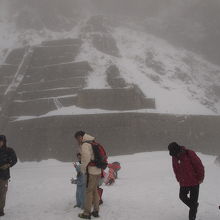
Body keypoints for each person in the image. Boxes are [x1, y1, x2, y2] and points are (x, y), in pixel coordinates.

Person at [168, 142, 205, 220]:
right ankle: (194, 206)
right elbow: (175, 168)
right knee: (182, 197)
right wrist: (178, 179)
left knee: (193, 202)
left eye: (174, 152)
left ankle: (192, 217)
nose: (173, 155)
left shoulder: (189, 153)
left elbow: (199, 166)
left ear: (177, 149)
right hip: (183, 182)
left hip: (194, 182)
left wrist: (201, 178)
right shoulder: (174, 157)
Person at [75, 131, 102, 219]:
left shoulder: (85, 144)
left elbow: (86, 158)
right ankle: (96, 211)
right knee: (94, 191)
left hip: (91, 172)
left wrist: (82, 169)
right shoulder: (94, 142)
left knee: (88, 192)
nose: (77, 141)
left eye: (77, 139)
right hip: (98, 170)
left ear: (80, 137)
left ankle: (86, 213)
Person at [0, 135, 17, 217]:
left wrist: (8, 165)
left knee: (2, 194)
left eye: (1, 141)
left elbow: (14, 159)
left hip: (4, 176)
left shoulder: (9, 150)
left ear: (4, 142)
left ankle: (0, 210)